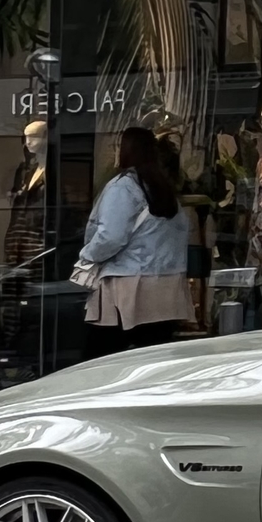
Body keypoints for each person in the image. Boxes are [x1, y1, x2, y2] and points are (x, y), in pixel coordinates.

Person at [78, 126, 192, 356]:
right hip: (166, 288)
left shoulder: (123, 187)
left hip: (126, 288)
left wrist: (87, 256)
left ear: (125, 150)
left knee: (99, 361)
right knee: (153, 360)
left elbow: (110, 236)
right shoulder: (163, 188)